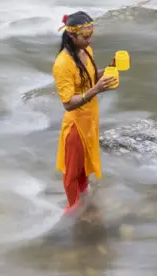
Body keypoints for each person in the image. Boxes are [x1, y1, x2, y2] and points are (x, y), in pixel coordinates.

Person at [52, 11, 118, 214]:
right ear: (71, 35)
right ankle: (73, 208)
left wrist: (109, 70)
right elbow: (68, 103)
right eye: (85, 37)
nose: (89, 40)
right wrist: (96, 90)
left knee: (84, 164)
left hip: (90, 116)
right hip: (75, 123)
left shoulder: (86, 50)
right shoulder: (62, 64)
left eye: (90, 35)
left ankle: (85, 196)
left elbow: (89, 78)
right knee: (72, 170)